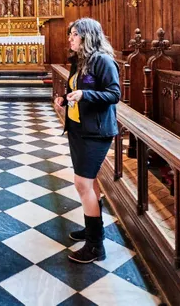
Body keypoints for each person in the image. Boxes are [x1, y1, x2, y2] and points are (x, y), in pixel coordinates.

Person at [53, 18, 120, 264]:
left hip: (96, 131)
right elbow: (76, 88)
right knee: (89, 184)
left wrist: (84, 94)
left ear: (87, 36)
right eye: (70, 35)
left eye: (74, 34)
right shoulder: (80, 61)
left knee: (82, 183)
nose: (70, 38)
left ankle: (95, 247)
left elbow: (114, 94)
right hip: (79, 128)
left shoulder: (102, 60)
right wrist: (64, 98)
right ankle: (94, 230)